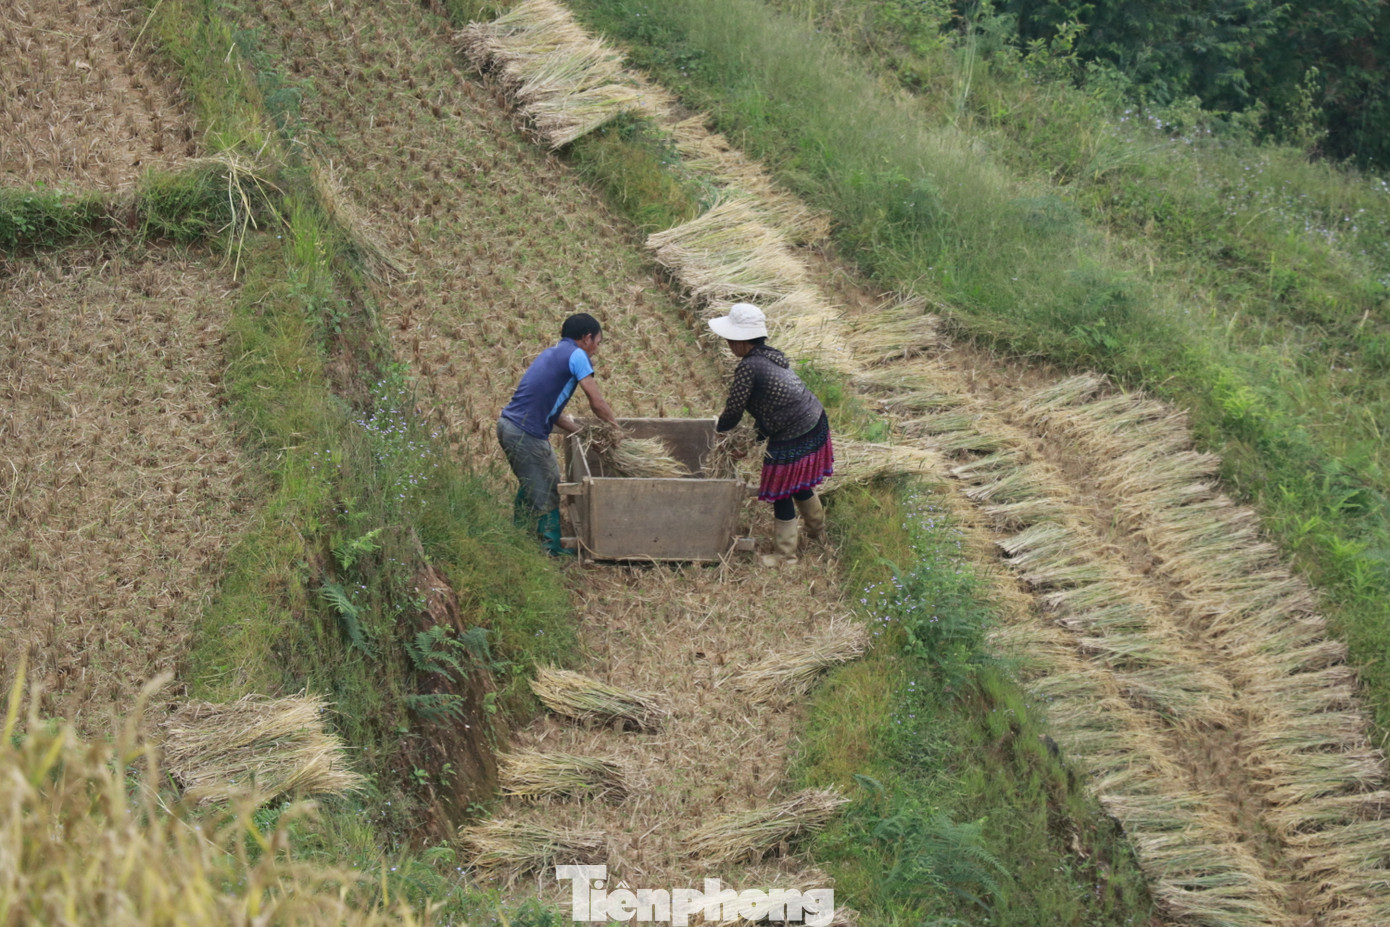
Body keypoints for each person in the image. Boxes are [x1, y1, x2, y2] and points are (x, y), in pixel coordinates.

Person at [709, 302, 833, 563]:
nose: (730, 345)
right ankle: (816, 533)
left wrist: (718, 433)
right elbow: (772, 411)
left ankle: (785, 556)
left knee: (782, 490)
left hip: (793, 430)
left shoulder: (749, 366)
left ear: (742, 341)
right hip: (814, 420)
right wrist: (752, 440)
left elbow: (734, 410)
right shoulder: (770, 356)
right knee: (802, 484)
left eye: (731, 340)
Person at [498, 312, 619, 555]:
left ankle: (520, 533)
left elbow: (552, 413)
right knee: (549, 483)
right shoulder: (578, 356)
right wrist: (617, 431)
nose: (596, 349)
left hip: (507, 426)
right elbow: (596, 402)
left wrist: (586, 435)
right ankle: (549, 548)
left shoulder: (551, 353)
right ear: (586, 338)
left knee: (531, 481)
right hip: (526, 433)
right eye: (598, 342)